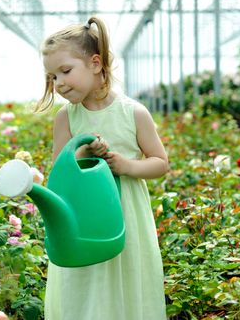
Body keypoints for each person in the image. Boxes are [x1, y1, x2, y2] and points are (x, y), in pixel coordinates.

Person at [36, 16, 169, 319]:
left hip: (124, 213)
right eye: (52, 77)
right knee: (85, 280)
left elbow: (160, 163)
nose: (59, 83)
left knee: (123, 275)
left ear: (95, 63)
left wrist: (124, 165)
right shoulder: (65, 118)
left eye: (65, 71)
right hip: (84, 216)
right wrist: (82, 151)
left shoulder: (133, 112)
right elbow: (62, 171)